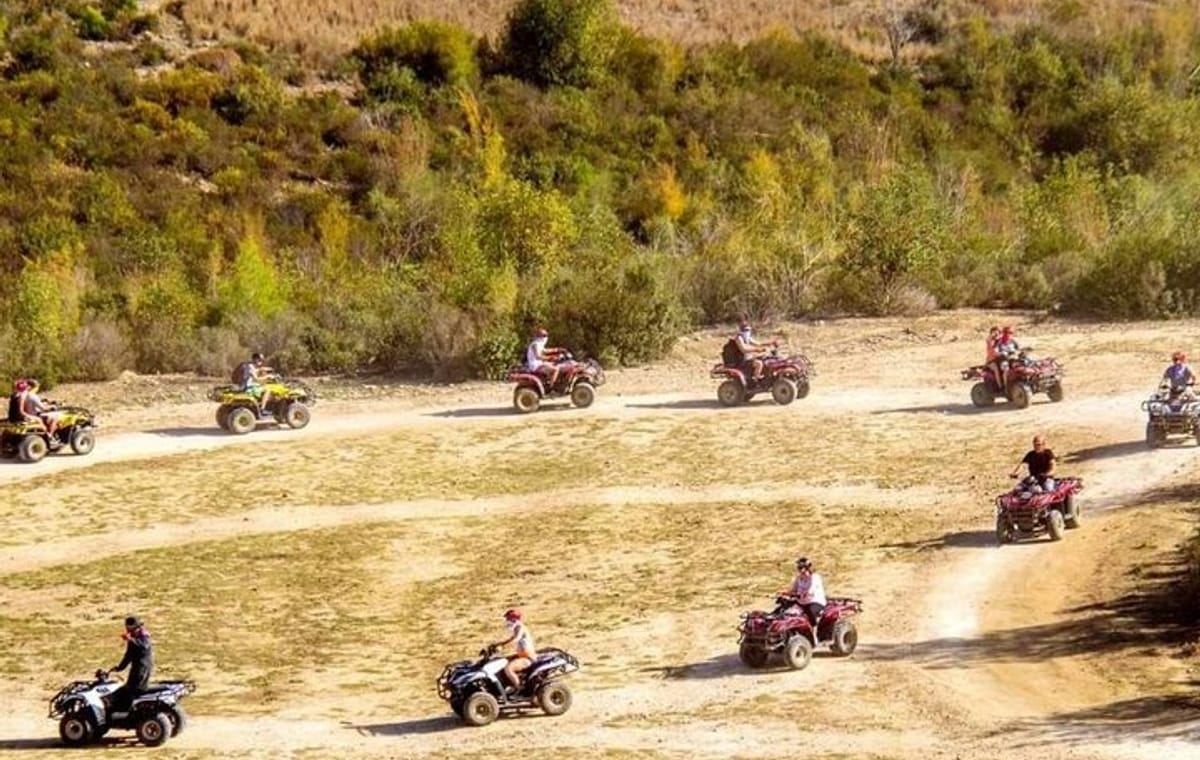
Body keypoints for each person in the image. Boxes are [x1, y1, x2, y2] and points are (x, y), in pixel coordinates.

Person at [109, 616, 153, 713]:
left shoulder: (144, 636)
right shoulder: (133, 639)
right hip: (135, 670)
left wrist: (130, 639)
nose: (130, 631)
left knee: (132, 691)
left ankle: (131, 714)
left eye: (132, 629)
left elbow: (144, 646)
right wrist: (119, 668)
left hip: (142, 670)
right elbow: (128, 656)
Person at [490, 609, 536, 696]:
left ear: (514, 619)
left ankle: (519, 689)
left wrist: (502, 647)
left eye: (508, 619)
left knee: (508, 668)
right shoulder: (516, 628)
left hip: (528, 658)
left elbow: (515, 640)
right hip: (521, 655)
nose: (507, 622)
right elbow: (510, 639)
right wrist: (497, 645)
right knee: (502, 662)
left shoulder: (520, 628)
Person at [783, 557, 826, 629]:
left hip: (814, 601)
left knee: (811, 612)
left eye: (800, 567)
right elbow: (794, 590)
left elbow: (810, 591)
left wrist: (801, 594)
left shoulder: (815, 577)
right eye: (798, 567)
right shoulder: (799, 578)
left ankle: (814, 629)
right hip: (802, 602)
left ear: (806, 567)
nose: (799, 569)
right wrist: (785, 593)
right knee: (785, 608)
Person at [21, 379, 62, 447]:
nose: (38, 388)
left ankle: (53, 434)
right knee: (55, 417)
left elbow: (37, 404)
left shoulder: (25, 395)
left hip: (29, 414)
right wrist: (52, 407)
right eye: (37, 387)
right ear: (33, 387)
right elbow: (43, 408)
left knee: (50, 417)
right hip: (35, 415)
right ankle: (50, 436)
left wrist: (46, 403)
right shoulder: (33, 396)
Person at [525, 328, 563, 392]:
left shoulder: (539, 344)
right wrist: (550, 358)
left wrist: (558, 349)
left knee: (556, 364)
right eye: (544, 335)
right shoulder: (535, 344)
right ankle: (551, 388)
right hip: (535, 365)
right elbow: (538, 356)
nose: (546, 337)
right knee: (555, 369)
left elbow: (545, 350)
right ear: (540, 336)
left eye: (546, 335)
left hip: (539, 364)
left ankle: (550, 382)